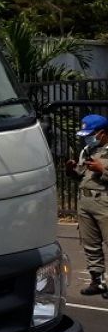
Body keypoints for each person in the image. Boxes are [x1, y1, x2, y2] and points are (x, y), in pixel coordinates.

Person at [68, 114, 108, 297]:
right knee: (90, 244)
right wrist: (72, 170)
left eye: (91, 134)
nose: (88, 138)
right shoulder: (87, 150)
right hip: (85, 202)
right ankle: (96, 281)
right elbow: (82, 175)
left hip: (104, 201)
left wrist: (103, 169)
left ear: (102, 133)